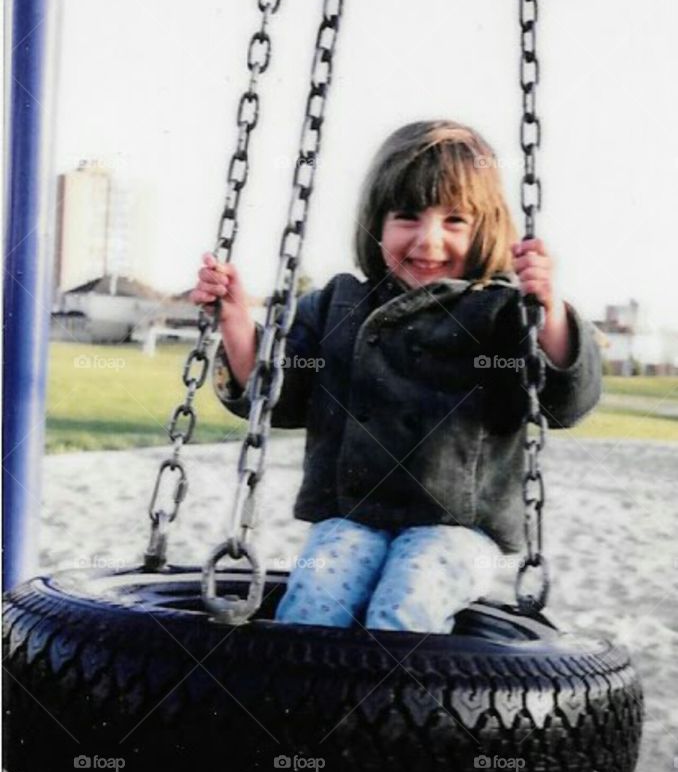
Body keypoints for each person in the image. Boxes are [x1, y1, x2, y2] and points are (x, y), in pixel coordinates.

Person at [192, 120, 601, 633]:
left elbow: (563, 403)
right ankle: (305, 689)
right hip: (352, 518)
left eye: (455, 220)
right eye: (407, 216)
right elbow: (277, 394)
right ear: (376, 222)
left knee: (405, 604)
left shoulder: (502, 312)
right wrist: (234, 319)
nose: (429, 241)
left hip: (460, 529)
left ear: (486, 229)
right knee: (315, 603)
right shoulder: (337, 305)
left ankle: (400, 691)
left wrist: (550, 311)